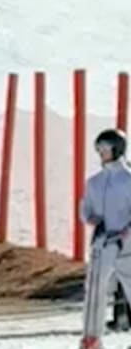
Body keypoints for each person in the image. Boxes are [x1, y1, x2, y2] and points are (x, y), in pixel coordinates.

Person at [80, 128, 131, 348]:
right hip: (103, 242)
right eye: (99, 149)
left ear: (118, 149)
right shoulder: (95, 182)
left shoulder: (128, 180)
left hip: (128, 241)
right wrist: (89, 217)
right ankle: (92, 337)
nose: (102, 153)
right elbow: (86, 208)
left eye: (106, 148)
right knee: (94, 287)